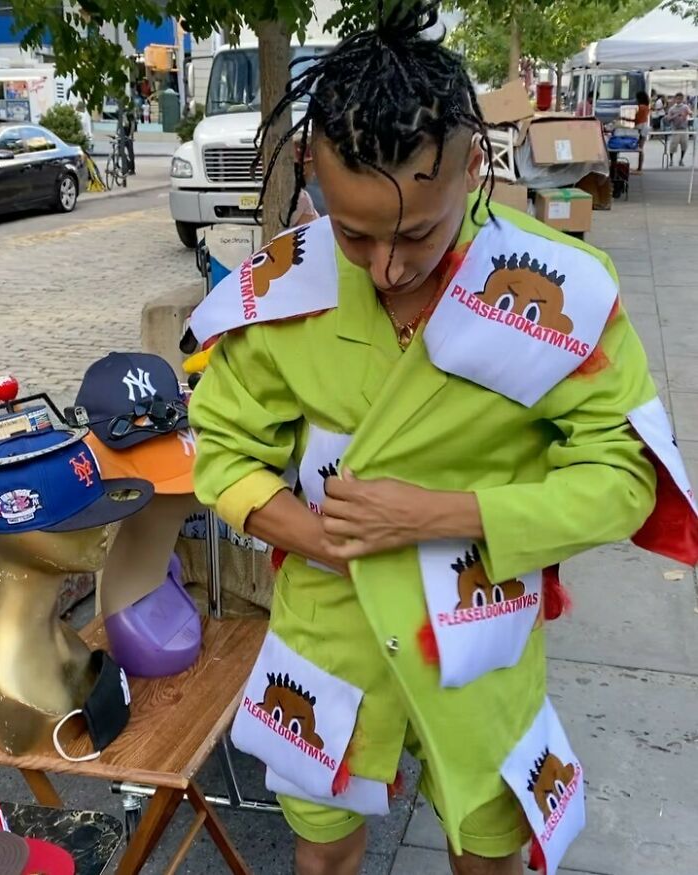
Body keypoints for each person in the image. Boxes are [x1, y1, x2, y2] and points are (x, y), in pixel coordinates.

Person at [188, 4, 698, 875]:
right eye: (354, 233)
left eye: (417, 232)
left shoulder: (561, 290)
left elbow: (622, 480)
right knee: (321, 856)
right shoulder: (282, 290)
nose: (387, 268)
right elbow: (220, 447)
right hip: (328, 636)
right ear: (312, 174)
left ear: (472, 165)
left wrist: (434, 516)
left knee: (488, 852)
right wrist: (317, 536)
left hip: (479, 633)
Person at [666, 92, 691, 166]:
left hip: (684, 129)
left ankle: (681, 160)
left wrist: (687, 113)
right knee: (673, 146)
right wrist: (675, 115)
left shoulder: (685, 107)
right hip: (675, 129)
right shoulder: (672, 108)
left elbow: (690, 113)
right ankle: (671, 160)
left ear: (682, 99)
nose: (679, 100)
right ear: (675, 99)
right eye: (677, 98)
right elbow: (668, 118)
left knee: (684, 145)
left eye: (680, 99)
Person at [633, 90, 651, 173]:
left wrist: (624, 119)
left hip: (641, 128)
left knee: (640, 148)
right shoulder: (646, 107)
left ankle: (640, 168)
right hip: (644, 127)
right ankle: (640, 167)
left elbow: (637, 119)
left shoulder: (641, 107)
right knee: (641, 148)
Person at [122, 104, 137, 175]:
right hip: (123, 134)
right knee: (121, 151)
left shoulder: (130, 114)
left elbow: (132, 125)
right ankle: (127, 166)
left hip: (128, 135)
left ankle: (132, 169)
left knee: (130, 153)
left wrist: (130, 135)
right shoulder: (122, 113)